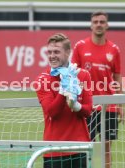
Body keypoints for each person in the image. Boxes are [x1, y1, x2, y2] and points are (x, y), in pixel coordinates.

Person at [71, 11, 124, 168]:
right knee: (86, 146)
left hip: (109, 105)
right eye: (95, 22)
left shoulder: (114, 49)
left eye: (102, 22)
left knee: (107, 147)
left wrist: (120, 104)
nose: (99, 24)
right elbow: (74, 74)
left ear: (107, 25)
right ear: (91, 25)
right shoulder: (80, 47)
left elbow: (117, 77)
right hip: (88, 105)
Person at [35, 33, 92, 168]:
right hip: (53, 149)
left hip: (79, 147)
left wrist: (76, 106)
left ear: (68, 52)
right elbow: (52, 112)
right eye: (49, 52)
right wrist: (63, 89)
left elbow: (88, 110)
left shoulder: (83, 75)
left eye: (56, 52)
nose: (52, 56)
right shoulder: (42, 79)